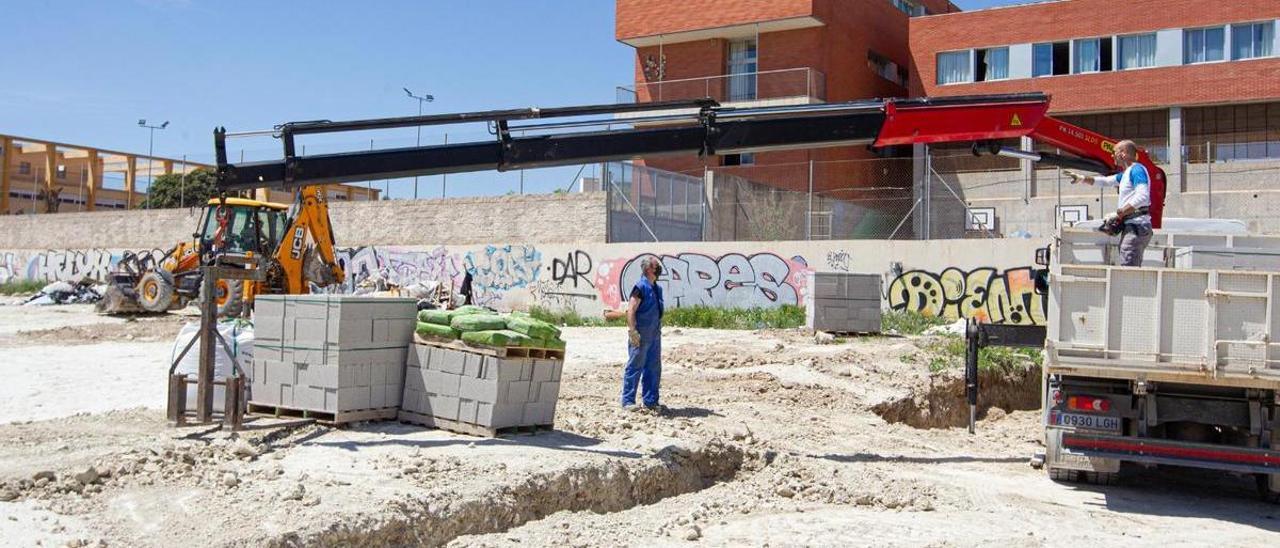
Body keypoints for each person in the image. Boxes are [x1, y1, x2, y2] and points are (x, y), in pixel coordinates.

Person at [1064, 140, 1153, 267]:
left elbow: (1143, 196)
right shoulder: (1126, 174)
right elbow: (1105, 181)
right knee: (1127, 262)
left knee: (1129, 267)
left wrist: (1119, 214)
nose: (1112, 156)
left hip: (1137, 227)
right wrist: (1082, 178)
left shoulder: (1137, 170)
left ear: (1123, 153)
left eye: (1114, 152)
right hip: (1134, 226)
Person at [621, 256, 664, 411]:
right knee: (635, 366)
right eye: (655, 266)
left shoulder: (657, 288)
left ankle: (651, 401)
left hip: (654, 334)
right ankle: (628, 401)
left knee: (653, 367)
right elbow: (631, 309)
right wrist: (632, 331)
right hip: (641, 334)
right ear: (648, 269)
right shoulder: (640, 287)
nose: (658, 268)